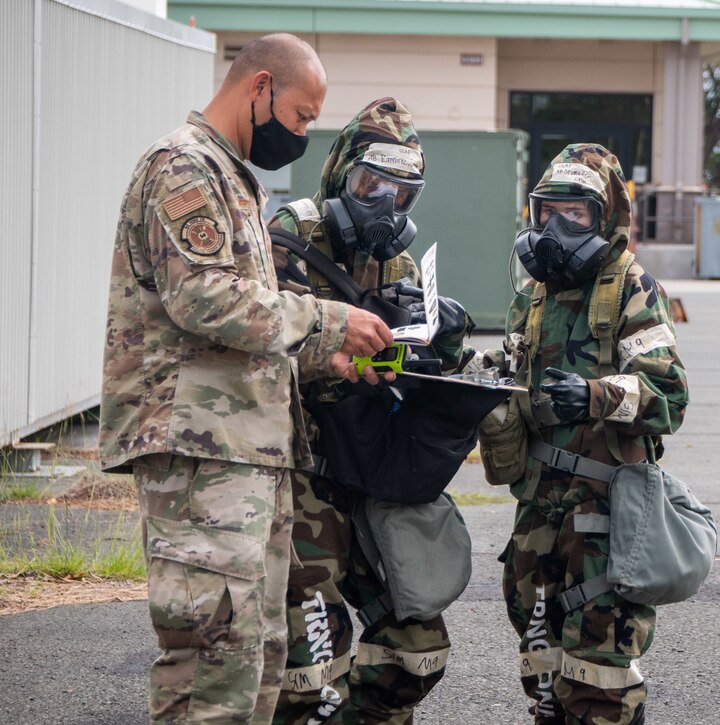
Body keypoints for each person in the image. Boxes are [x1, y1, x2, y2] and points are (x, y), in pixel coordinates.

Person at [98, 34, 395, 724]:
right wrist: (327, 317)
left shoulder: (231, 178)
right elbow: (201, 298)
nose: (301, 134)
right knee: (212, 665)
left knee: (253, 660)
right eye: (298, 116)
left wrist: (327, 355)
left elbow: (247, 330)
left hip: (246, 453)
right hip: (203, 457)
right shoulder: (184, 166)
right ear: (259, 86)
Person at [267, 97, 474, 725]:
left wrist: (442, 339)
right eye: (370, 183)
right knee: (309, 670)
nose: (384, 202)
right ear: (340, 174)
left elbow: (410, 380)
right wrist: (338, 343)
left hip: (371, 472)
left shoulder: (401, 261)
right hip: (299, 475)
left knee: (417, 649)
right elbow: (250, 356)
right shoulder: (285, 238)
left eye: (401, 192)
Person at [473, 144, 689, 724]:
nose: (557, 226)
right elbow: (515, 369)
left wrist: (597, 396)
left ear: (605, 219)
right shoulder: (534, 294)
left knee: (600, 670)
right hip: (538, 508)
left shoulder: (632, 289)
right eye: (548, 211)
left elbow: (668, 395)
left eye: (577, 213)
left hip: (604, 510)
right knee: (541, 664)